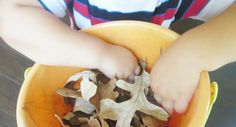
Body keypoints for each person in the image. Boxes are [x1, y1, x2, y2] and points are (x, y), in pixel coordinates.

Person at [0, 0, 236, 113]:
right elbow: (9, 15)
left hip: (161, 75)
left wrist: (194, 53)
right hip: (84, 59)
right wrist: (98, 53)